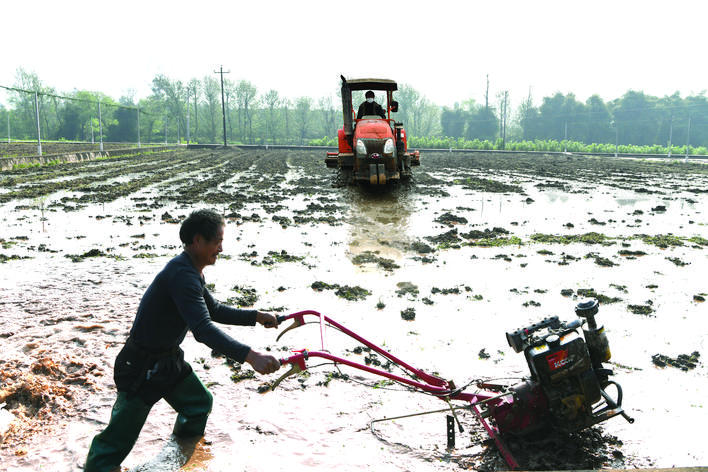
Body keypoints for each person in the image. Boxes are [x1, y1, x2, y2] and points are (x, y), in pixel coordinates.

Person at [84, 209, 280, 472]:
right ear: (198, 241)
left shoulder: (191, 271)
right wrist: (251, 356)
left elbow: (214, 310)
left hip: (168, 361)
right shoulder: (182, 276)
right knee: (114, 444)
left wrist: (256, 316)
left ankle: (181, 454)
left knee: (198, 404)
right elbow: (203, 329)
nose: (221, 248)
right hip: (141, 367)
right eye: (217, 241)